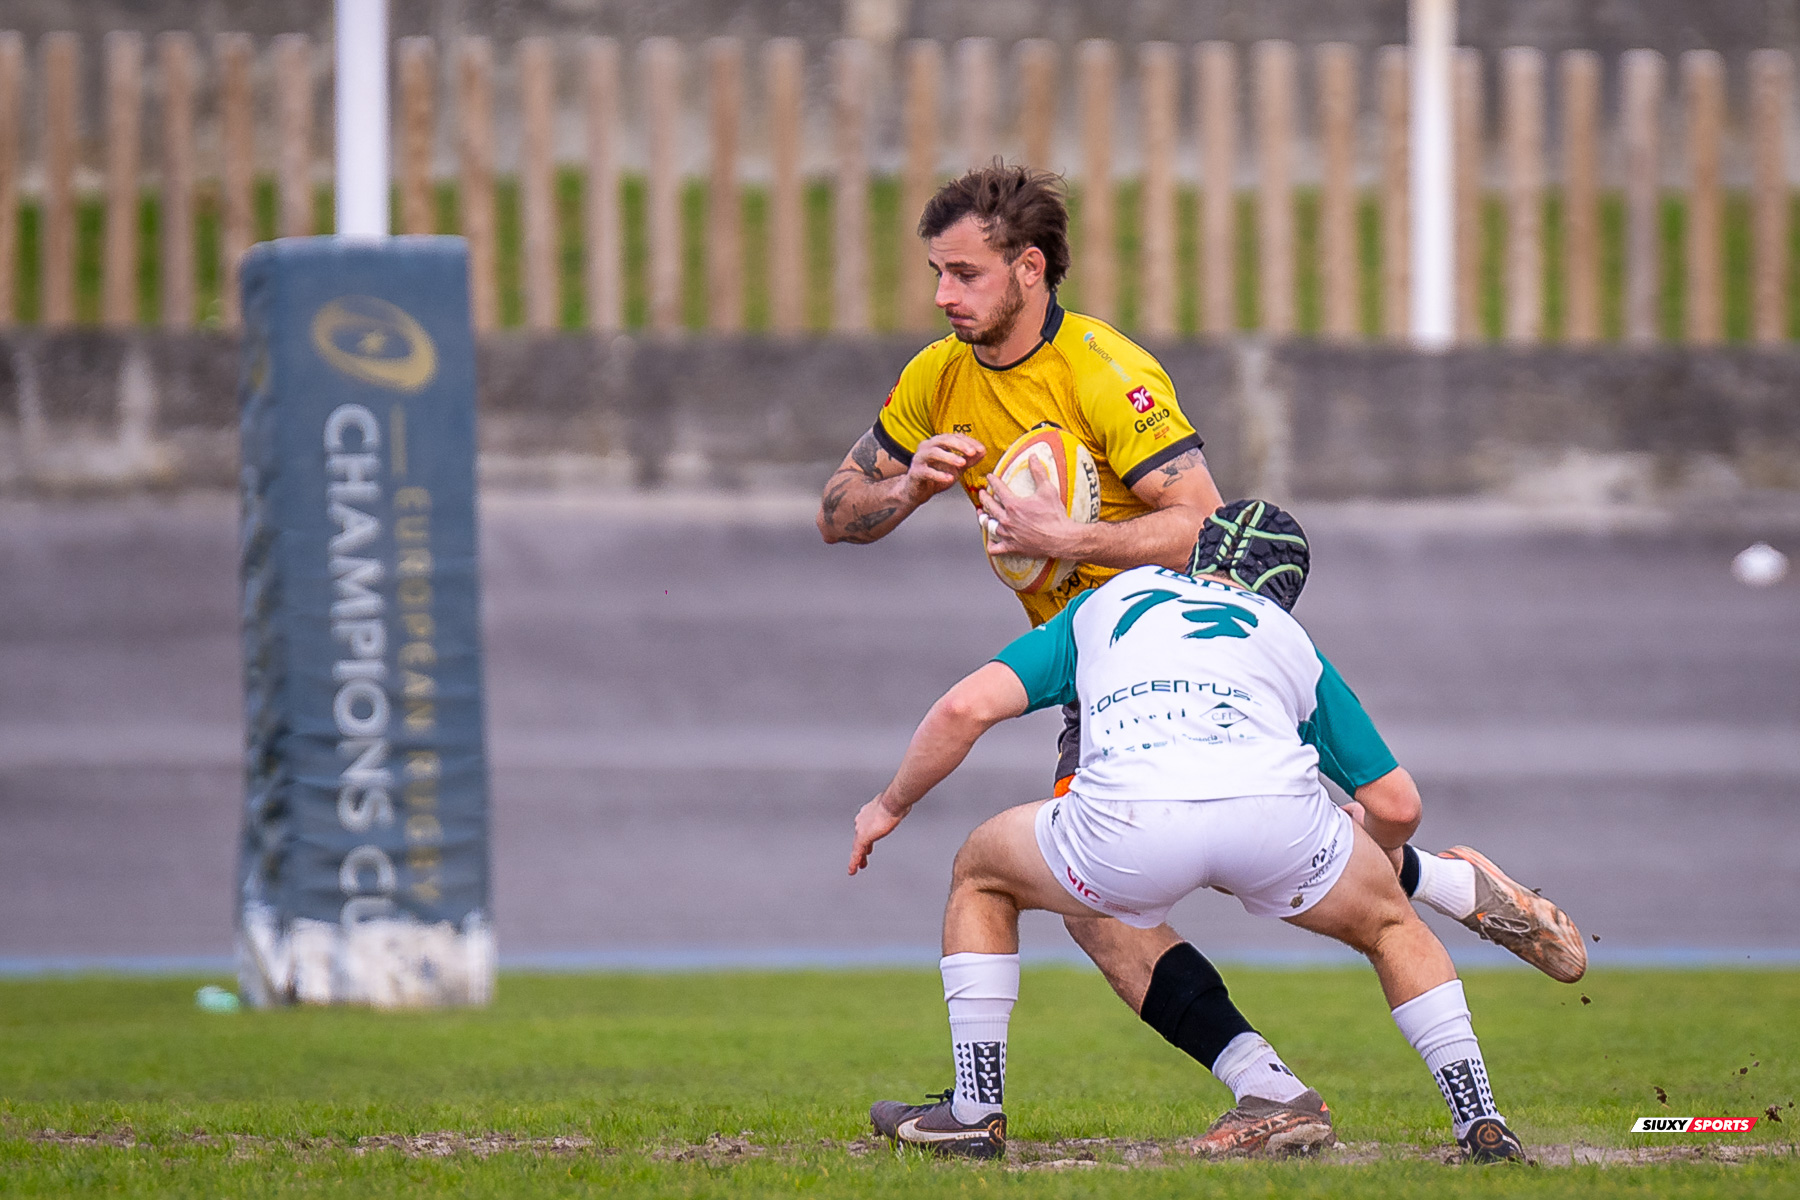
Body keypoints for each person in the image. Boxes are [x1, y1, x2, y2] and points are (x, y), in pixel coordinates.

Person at [818, 164, 1583, 1151]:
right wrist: (909, 487)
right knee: (1249, 844)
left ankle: (1266, 1088)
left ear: (1030, 268)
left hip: (1137, 647)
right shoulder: (937, 378)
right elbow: (839, 509)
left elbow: (1204, 528)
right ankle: (1450, 890)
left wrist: (1070, 539)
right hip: (1112, 663)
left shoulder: (1106, 373)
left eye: (963, 274)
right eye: (936, 272)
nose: (942, 295)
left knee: (1108, 898)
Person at [850, 501, 1556, 1163]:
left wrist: (890, 804)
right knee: (1392, 928)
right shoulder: (1284, 637)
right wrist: (1368, 839)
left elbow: (965, 708)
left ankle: (975, 1113)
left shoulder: (1110, 601)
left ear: (1196, 560)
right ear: (1282, 592)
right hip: (1275, 820)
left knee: (982, 872)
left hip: (1129, 826)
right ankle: (1479, 1119)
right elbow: (1398, 803)